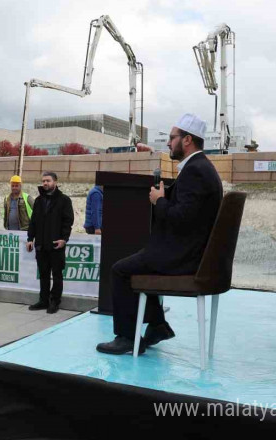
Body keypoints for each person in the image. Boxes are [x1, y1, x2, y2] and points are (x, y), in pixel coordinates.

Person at [97, 113, 223, 355]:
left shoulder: (196, 171)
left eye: (172, 138)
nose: (168, 143)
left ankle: (125, 337)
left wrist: (159, 201)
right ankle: (157, 326)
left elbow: (182, 218)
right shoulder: (201, 167)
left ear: (187, 140)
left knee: (120, 271)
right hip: (191, 251)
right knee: (139, 264)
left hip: (184, 256)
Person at [26, 172, 74, 314]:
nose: (45, 183)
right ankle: (43, 300)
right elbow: (33, 221)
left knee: (57, 274)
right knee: (44, 274)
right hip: (41, 244)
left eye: (48, 180)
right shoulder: (39, 200)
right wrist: (30, 239)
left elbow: (68, 222)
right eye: (43, 181)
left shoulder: (64, 200)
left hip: (56, 244)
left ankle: (55, 302)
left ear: (55, 182)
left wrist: (64, 239)